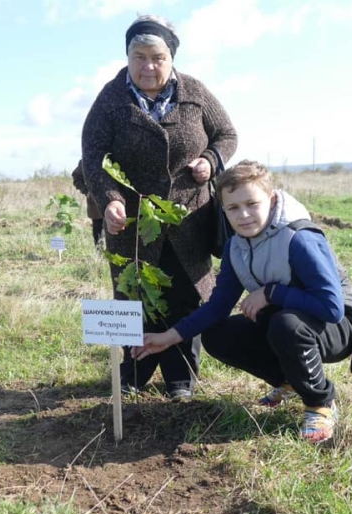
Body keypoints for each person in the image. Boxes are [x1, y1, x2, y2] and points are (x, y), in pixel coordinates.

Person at [132, 161, 352, 444]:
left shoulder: (298, 238)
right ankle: (290, 381)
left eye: (252, 204)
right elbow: (217, 307)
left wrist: (271, 293)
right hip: (291, 321)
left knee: (286, 325)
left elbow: (332, 308)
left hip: (339, 326)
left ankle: (320, 403)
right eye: (233, 208)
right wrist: (168, 338)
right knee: (218, 334)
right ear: (223, 210)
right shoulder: (237, 246)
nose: (243, 215)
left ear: (270, 200)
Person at [82, 15, 238, 400]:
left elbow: (227, 134)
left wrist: (211, 160)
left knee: (185, 293)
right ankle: (134, 370)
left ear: (171, 58)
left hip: (190, 217)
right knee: (134, 294)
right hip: (132, 223)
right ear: (128, 56)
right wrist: (111, 201)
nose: (148, 66)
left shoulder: (195, 93)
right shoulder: (110, 100)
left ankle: (181, 376)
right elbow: (92, 157)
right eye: (139, 57)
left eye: (157, 57)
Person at [71, 160, 104, 246]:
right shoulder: (88, 159)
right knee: (98, 231)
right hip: (95, 202)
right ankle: (99, 256)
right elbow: (77, 177)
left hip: (119, 201)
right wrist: (86, 191)